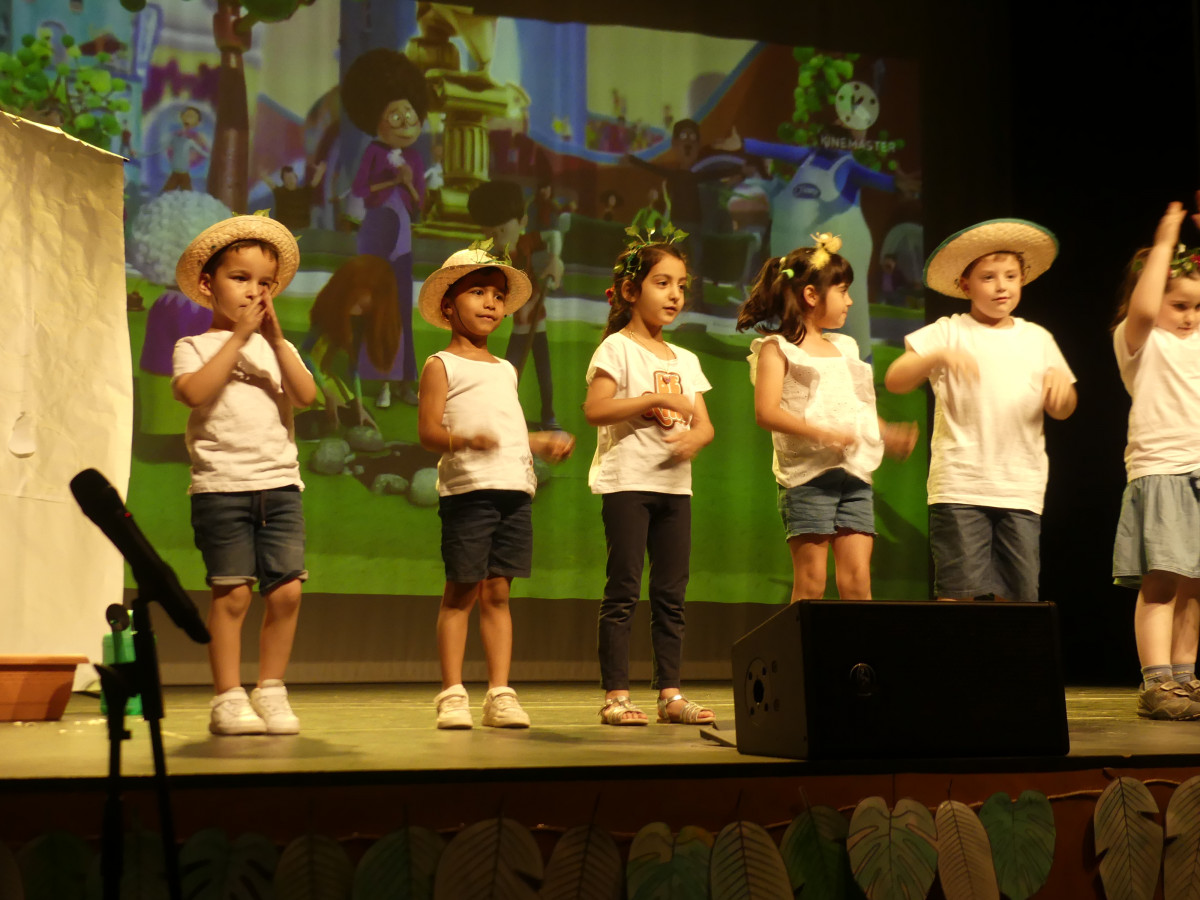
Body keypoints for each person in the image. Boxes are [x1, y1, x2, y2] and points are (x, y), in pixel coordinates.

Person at [416, 247, 576, 730]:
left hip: (513, 489)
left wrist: (539, 441)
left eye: (498, 296)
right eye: (478, 292)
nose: (490, 303)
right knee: (461, 592)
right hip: (469, 491)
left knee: (499, 594)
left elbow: (506, 428)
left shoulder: (505, 368)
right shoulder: (441, 364)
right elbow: (428, 432)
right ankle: (452, 693)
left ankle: (500, 692)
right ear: (448, 306)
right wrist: (464, 439)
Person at [171, 215, 317, 735]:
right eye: (240, 278)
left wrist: (273, 341)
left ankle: (271, 689)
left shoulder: (279, 349)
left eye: (265, 283)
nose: (255, 291)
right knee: (232, 595)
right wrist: (238, 339)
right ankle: (228, 698)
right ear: (208, 284)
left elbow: (307, 395)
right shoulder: (194, 345)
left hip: (280, 486)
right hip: (222, 487)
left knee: (287, 592)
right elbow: (192, 392)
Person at [884, 219, 1077, 602]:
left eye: (1011, 276)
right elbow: (895, 379)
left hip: (1020, 488)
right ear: (965, 285)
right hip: (961, 484)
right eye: (988, 277)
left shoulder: (1037, 338)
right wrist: (937, 356)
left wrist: (1061, 397)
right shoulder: (949, 331)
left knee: (1019, 599)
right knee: (959, 594)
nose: (1001, 286)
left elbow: (1064, 406)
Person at [736, 235, 917, 602]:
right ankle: (807, 642)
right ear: (811, 295)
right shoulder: (777, 349)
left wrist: (887, 433)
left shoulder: (845, 347)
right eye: (843, 291)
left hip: (854, 475)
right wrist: (821, 433)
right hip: (807, 479)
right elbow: (766, 412)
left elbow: (859, 407)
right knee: (812, 581)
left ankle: (857, 643)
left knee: (857, 581)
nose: (850, 301)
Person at [582, 235, 715, 726]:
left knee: (671, 594)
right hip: (628, 484)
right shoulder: (617, 348)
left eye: (680, 285)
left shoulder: (686, 359)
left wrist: (694, 439)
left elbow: (705, 425)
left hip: (675, 489)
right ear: (630, 290)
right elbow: (596, 409)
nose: (675, 294)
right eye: (662, 283)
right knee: (623, 590)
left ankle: (670, 694)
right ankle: (616, 696)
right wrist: (651, 399)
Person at [1111, 199, 1200, 720]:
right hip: (1163, 469)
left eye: (1197, 307)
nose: (1189, 316)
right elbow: (1144, 309)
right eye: (1180, 304)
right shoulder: (1139, 341)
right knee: (1163, 581)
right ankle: (1156, 681)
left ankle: (1186, 678)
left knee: (1195, 585)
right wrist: (1165, 242)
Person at [342, 48, 428, 409]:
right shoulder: (374, 152)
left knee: (402, 310)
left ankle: (405, 381)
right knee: (374, 308)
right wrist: (391, 181)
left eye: (409, 113)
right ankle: (374, 380)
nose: (405, 121)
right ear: (377, 119)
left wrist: (407, 182)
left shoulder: (415, 158)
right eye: (395, 115)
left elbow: (419, 204)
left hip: (403, 241)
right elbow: (361, 188)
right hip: (376, 234)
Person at [467, 180, 563, 430]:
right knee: (509, 372)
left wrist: (555, 260)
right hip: (520, 323)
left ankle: (549, 416)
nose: (497, 237)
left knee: (543, 372)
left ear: (522, 222)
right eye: (490, 232)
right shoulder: (491, 258)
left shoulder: (525, 243)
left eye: (502, 229)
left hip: (536, 319)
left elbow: (554, 236)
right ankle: (505, 414)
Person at [300, 255, 400, 433]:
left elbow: (354, 365)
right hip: (307, 377)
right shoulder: (329, 316)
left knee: (356, 417)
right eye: (355, 301)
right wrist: (326, 392)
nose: (361, 308)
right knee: (315, 425)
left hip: (326, 378)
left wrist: (359, 404)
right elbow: (304, 353)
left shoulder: (360, 322)